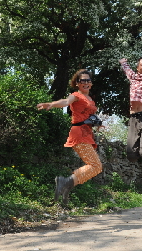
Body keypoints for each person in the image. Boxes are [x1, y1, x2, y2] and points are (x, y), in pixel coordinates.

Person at [36, 69, 102, 205]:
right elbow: (66, 101)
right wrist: (51, 104)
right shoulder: (76, 95)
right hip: (79, 134)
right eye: (82, 80)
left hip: (87, 133)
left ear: (91, 83)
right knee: (96, 166)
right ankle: (65, 182)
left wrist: (96, 124)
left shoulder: (90, 99)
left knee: (94, 166)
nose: (85, 82)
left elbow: (87, 115)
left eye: (88, 80)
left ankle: (67, 186)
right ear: (77, 83)